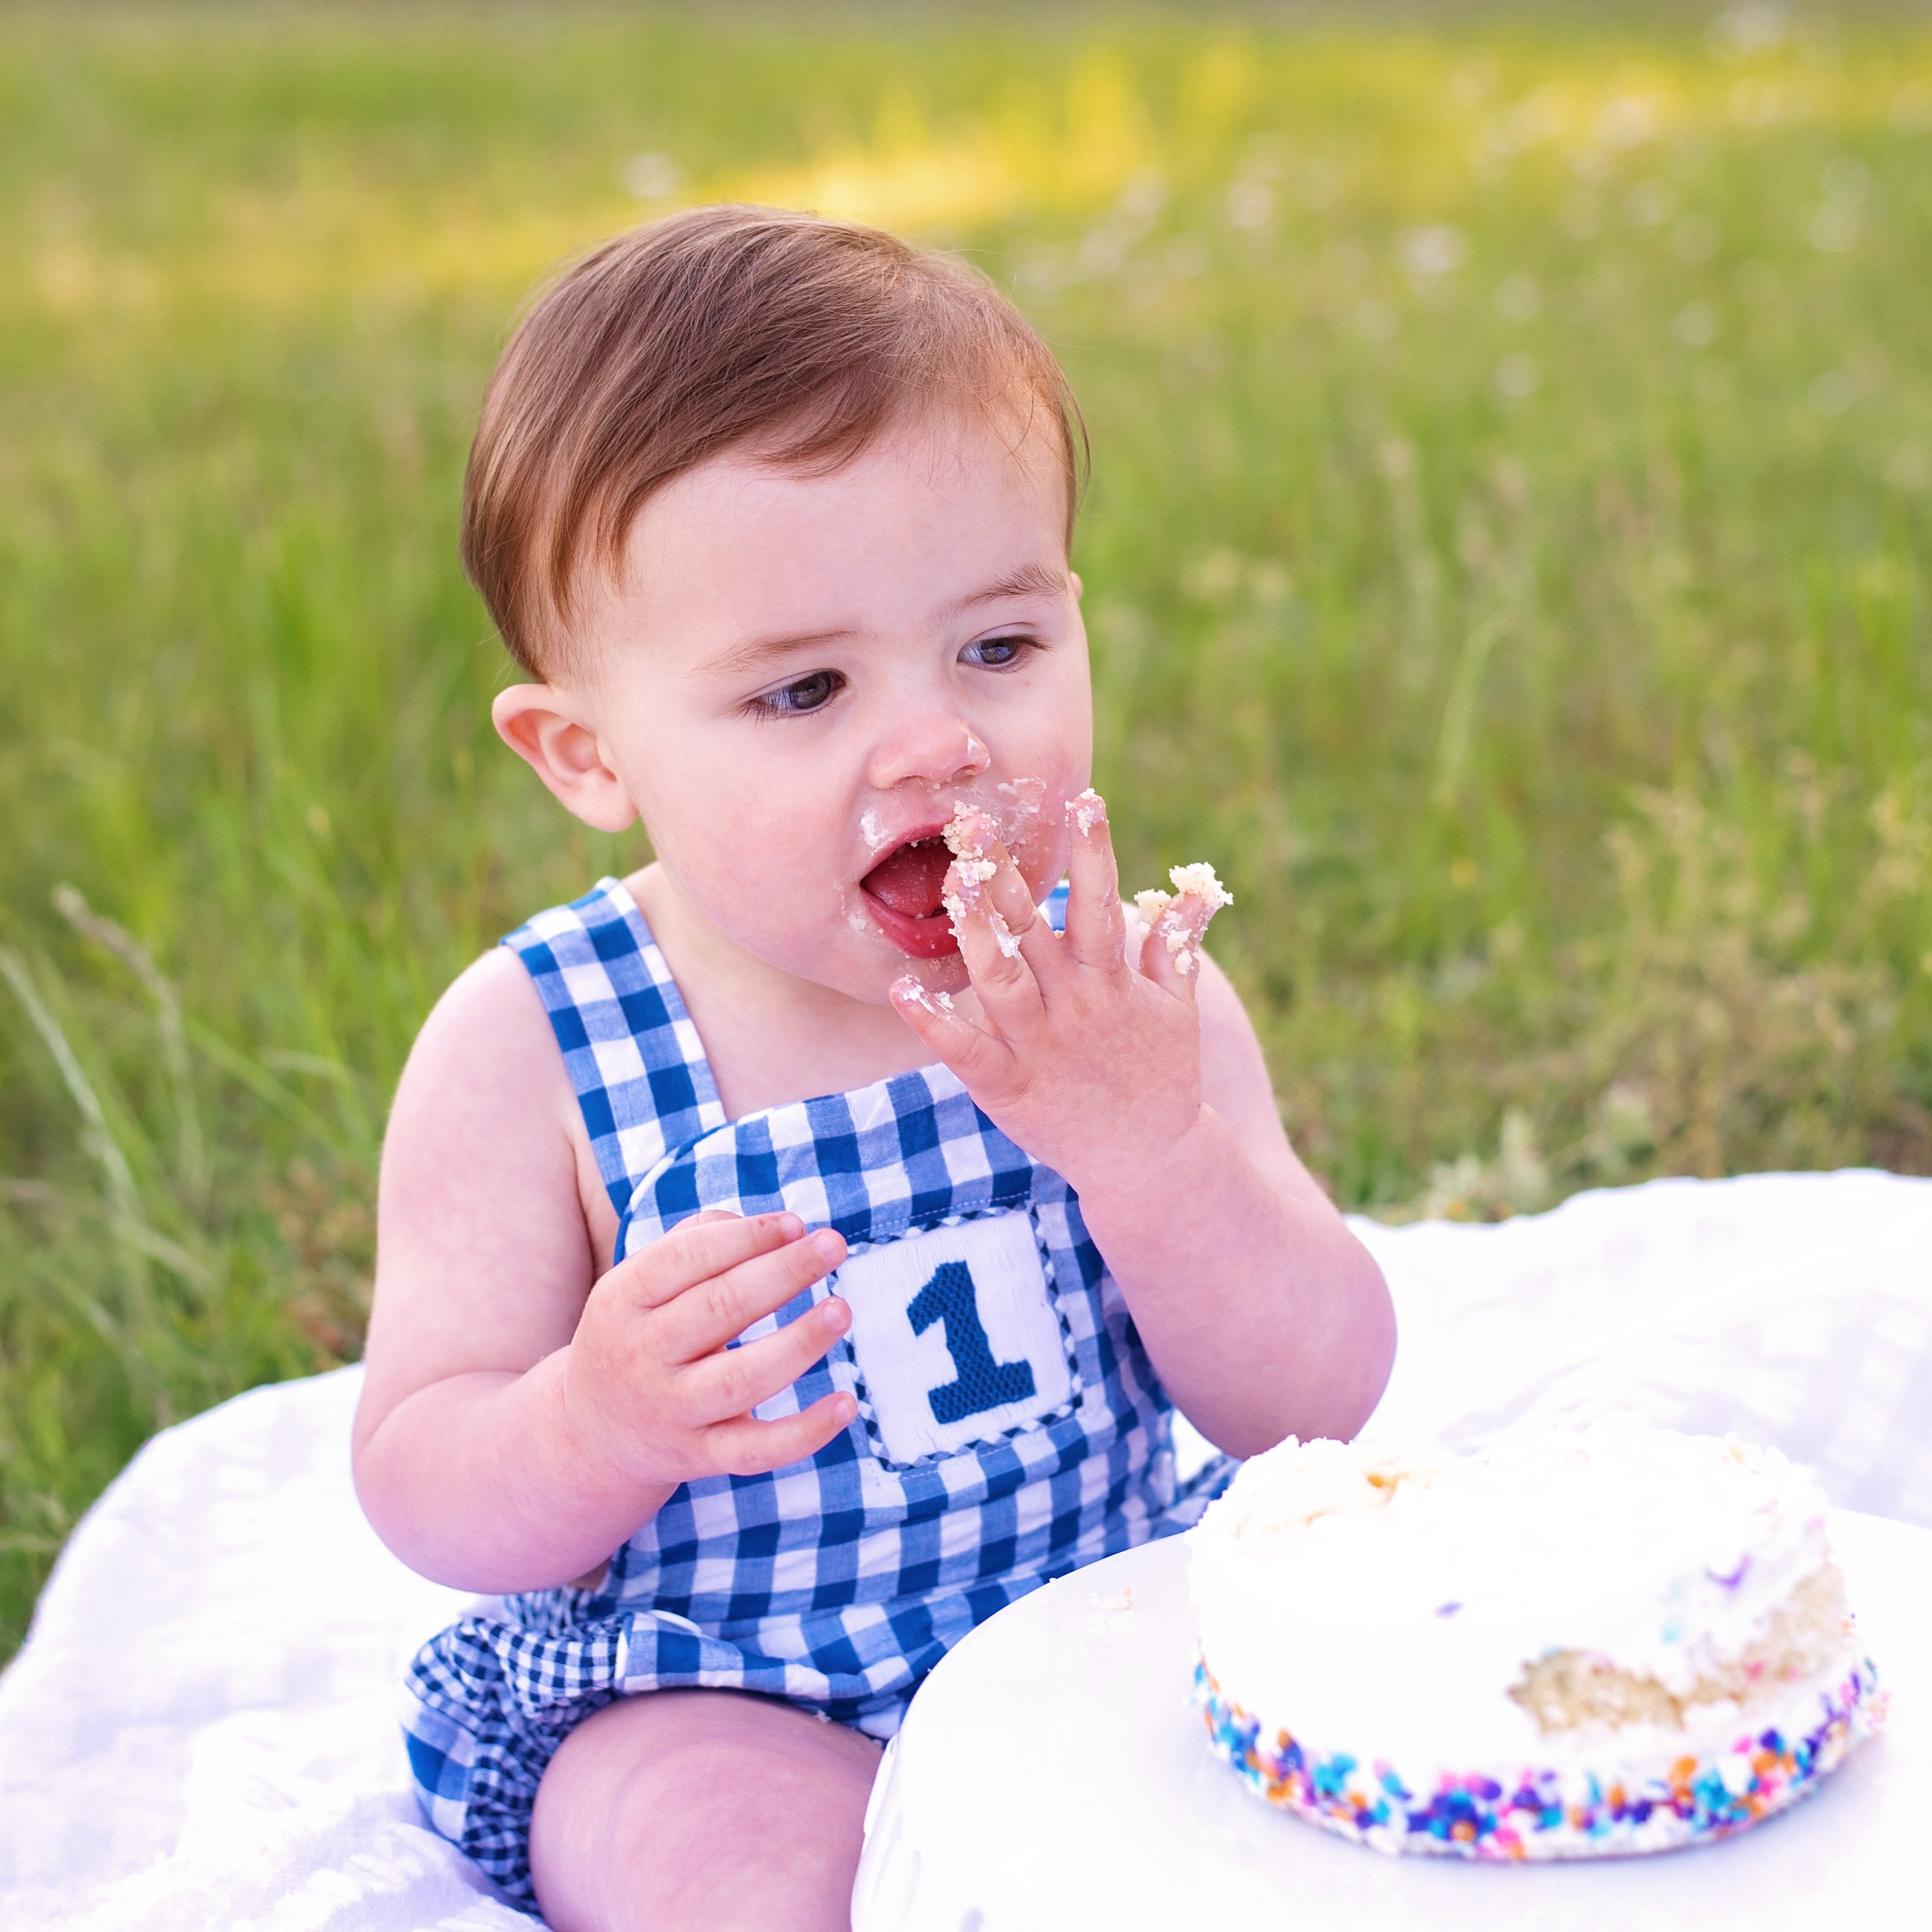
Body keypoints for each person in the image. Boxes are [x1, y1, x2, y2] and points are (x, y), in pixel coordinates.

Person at [351, 204, 1395, 1932]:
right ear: (586, 754)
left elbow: (1315, 1404)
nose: (937, 741)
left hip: (1119, 1621)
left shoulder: (1124, 1002)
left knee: (1365, 1765)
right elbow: (422, 1474)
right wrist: (593, 1421)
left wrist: (1154, 1158)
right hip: (728, 1686)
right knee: (719, 1858)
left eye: (998, 647)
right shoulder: (537, 1044)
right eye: (804, 690)